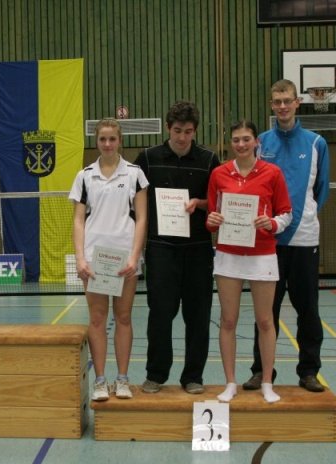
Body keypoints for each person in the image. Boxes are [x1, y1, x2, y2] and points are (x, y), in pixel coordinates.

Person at [243, 79, 331, 393]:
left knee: (308, 309)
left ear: (297, 103)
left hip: (304, 239)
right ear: (271, 105)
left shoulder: (317, 143)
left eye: (287, 101)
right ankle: (261, 371)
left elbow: (320, 191)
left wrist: (297, 219)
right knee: (266, 311)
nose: (282, 106)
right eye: (277, 101)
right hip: (268, 242)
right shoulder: (261, 143)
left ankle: (309, 371)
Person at [134, 101, 220, 394]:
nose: (183, 137)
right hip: (160, 249)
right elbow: (135, 202)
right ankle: (156, 374)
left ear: (195, 131)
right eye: (178, 130)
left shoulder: (209, 160)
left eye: (189, 131)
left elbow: (218, 202)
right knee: (160, 313)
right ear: (168, 128)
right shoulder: (147, 158)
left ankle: (193, 376)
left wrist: (200, 203)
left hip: (198, 250)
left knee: (198, 315)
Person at [206, 120, 292, 403]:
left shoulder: (272, 173)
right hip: (228, 255)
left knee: (265, 321)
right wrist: (212, 220)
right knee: (228, 320)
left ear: (257, 142)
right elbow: (212, 217)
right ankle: (230, 383)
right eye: (236, 140)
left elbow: (286, 213)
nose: (241, 144)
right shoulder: (219, 173)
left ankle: (267, 382)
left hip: (262, 255)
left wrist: (272, 223)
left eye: (246, 139)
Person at [69, 118, 148, 401]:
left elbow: (142, 218)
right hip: (95, 259)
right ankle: (100, 381)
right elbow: (78, 220)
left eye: (112, 139)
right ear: (96, 141)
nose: (107, 144)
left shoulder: (135, 174)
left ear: (120, 140)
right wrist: (80, 258)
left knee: (124, 317)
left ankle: (122, 379)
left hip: (125, 259)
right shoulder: (84, 176)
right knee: (97, 319)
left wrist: (135, 257)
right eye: (102, 139)